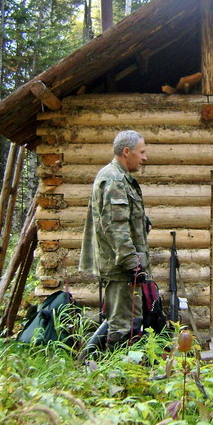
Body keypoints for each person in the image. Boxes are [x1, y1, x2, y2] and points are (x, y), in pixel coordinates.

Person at [79, 130, 151, 348]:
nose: (145, 157)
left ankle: (127, 369)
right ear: (126, 152)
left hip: (125, 265)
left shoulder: (121, 178)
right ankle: (116, 372)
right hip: (121, 267)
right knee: (123, 325)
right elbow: (114, 226)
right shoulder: (114, 179)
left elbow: (122, 219)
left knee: (131, 319)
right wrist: (132, 263)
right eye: (142, 152)